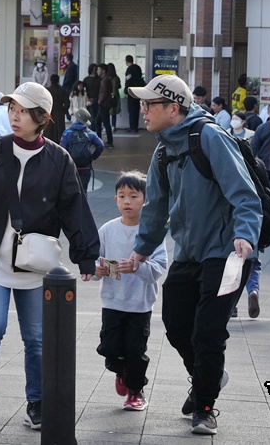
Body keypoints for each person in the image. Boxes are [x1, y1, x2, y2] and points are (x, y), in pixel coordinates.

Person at [0, 82, 100, 430]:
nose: (15, 116)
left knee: (37, 339)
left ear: (42, 118)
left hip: (35, 265)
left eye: (23, 111)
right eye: (12, 109)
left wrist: (86, 256)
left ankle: (36, 403)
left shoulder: (59, 159)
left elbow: (74, 208)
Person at [127, 74, 261, 436]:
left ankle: (204, 406)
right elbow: (155, 207)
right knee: (175, 324)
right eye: (142, 104)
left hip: (227, 253)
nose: (143, 110)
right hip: (188, 253)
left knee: (208, 332)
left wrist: (245, 234)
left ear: (173, 108)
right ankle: (208, 376)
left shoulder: (210, 137)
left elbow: (244, 193)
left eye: (149, 104)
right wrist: (141, 249)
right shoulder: (162, 151)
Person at [95, 171, 167, 412]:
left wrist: (138, 267)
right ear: (115, 199)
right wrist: (96, 269)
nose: (127, 201)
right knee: (110, 347)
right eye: (122, 195)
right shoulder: (107, 229)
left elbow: (159, 267)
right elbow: (95, 259)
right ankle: (121, 371)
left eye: (134, 196)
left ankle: (135, 391)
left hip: (140, 304)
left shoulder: (152, 232)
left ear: (146, 200)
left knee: (136, 351)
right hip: (112, 301)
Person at [59, 107, 104, 192]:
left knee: (70, 191)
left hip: (71, 167)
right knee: (83, 191)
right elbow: (101, 146)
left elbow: (62, 150)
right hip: (85, 167)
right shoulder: (90, 133)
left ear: (76, 118)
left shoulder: (67, 133)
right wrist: (92, 157)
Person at [123, 56, 145, 132]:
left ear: (126, 61)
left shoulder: (129, 69)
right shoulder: (138, 68)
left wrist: (126, 91)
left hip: (131, 91)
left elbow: (128, 80)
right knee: (136, 109)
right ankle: (135, 126)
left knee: (131, 109)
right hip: (138, 91)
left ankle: (132, 126)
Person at [45, 73, 69, 144]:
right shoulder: (62, 90)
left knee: (49, 130)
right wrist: (64, 110)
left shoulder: (47, 90)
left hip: (49, 111)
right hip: (60, 111)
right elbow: (67, 102)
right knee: (59, 129)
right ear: (58, 80)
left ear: (51, 80)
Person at [95, 64, 114, 148]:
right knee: (98, 121)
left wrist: (100, 101)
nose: (97, 71)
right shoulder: (107, 79)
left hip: (104, 104)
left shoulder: (104, 80)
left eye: (99, 69)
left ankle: (109, 141)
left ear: (103, 70)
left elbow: (104, 92)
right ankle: (100, 140)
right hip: (105, 104)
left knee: (105, 122)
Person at [83, 63, 101, 135]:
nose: (94, 71)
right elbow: (84, 91)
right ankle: (91, 130)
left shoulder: (99, 79)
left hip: (98, 99)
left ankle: (96, 130)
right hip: (90, 100)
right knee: (91, 116)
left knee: (97, 116)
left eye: (95, 69)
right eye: (93, 69)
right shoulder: (86, 79)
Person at [106, 63, 122, 134]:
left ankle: (107, 126)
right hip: (115, 96)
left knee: (107, 112)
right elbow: (119, 86)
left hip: (108, 96)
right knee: (113, 112)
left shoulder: (106, 78)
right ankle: (113, 125)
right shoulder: (116, 77)